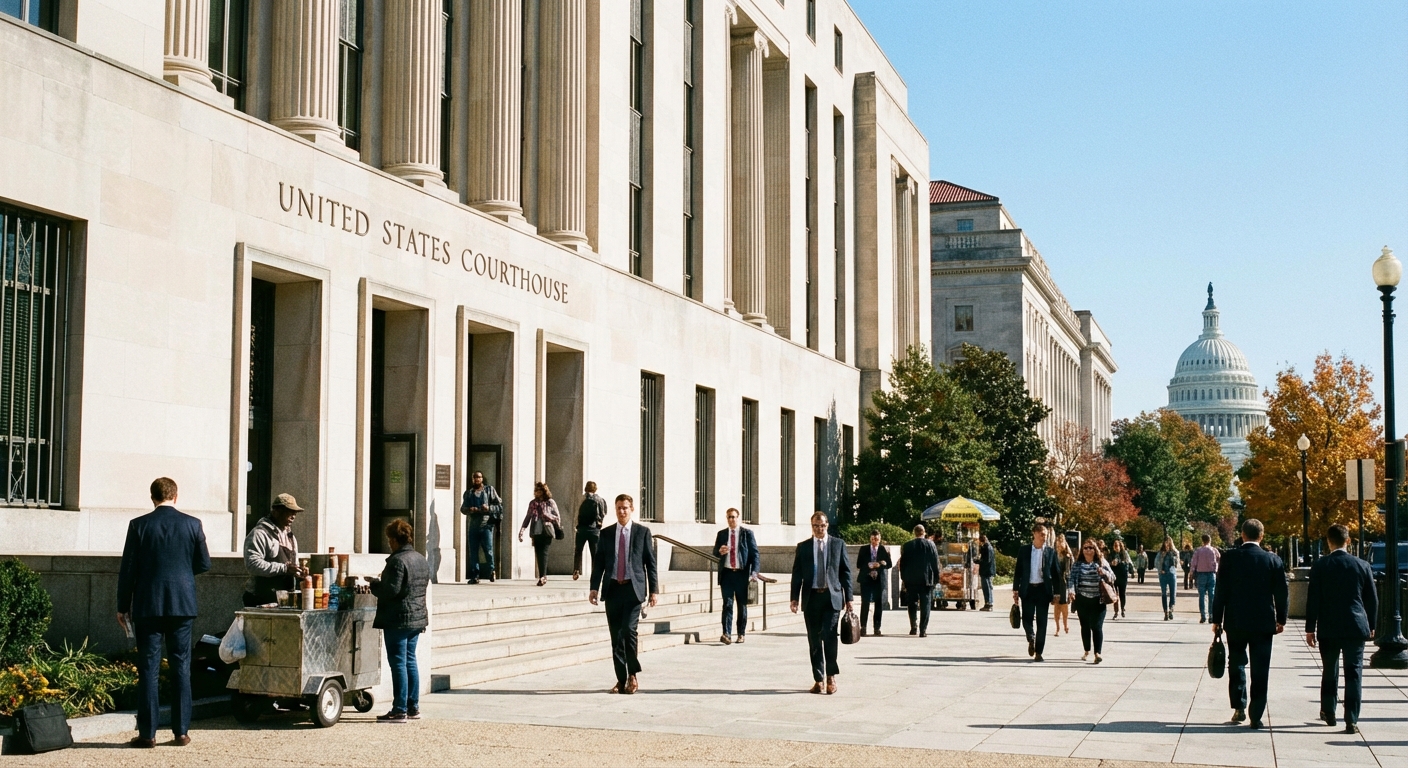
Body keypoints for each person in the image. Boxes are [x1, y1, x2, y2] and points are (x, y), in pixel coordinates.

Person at [116, 478, 211, 748]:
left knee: (148, 668)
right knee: (181, 667)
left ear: (152, 497)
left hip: (148, 604)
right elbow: (204, 563)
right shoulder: (193, 524)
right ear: (176, 496)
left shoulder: (139, 525)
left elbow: (128, 570)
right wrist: (180, 574)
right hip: (182, 604)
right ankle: (181, 732)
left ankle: (148, 734)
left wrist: (122, 606)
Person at [1211, 518, 1288, 729]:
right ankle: (1257, 713)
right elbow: (1281, 593)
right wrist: (1281, 618)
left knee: (1236, 662)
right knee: (1261, 668)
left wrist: (1216, 619)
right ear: (1261, 536)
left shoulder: (1230, 558)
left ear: (1242, 534)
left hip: (1235, 620)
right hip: (1263, 621)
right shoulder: (1273, 560)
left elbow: (1221, 592)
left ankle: (1239, 706)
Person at [1306, 524, 1377, 734]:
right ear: (1348, 541)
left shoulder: (1320, 566)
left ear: (1329, 541)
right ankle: (1352, 719)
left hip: (1328, 625)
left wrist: (1310, 628)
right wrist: (1371, 624)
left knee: (1330, 669)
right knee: (1354, 672)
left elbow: (1313, 600)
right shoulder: (1362, 565)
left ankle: (1329, 711)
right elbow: (1371, 599)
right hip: (1355, 625)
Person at [590, 494, 660, 694]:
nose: (622, 511)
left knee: (629, 632)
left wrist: (654, 590)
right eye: (619, 507)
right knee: (616, 636)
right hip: (613, 589)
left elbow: (650, 564)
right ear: (615, 509)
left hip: (633, 590)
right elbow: (599, 564)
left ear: (632, 509)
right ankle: (621, 679)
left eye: (626, 508)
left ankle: (633, 675)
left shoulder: (642, 532)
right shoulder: (606, 534)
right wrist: (594, 587)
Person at [368, 518, 430, 722]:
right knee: (410, 661)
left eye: (389, 539)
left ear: (395, 540)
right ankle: (413, 707)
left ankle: (399, 709)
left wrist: (374, 584)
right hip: (417, 616)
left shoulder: (397, 561)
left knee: (398, 663)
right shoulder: (420, 558)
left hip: (398, 618)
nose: (388, 543)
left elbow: (390, 590)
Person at [790, 511, 853, 694]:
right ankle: (818, 679)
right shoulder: (803, 547)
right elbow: (797, 574)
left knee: (830, 636)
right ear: (812, 527)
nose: (819, 529)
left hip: (831, 598)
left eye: (823, 525)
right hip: (811, 598)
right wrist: (794, 598)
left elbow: (845, 573)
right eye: (816, 526)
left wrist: (849, 599)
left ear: (827, 525)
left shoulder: (838, 545)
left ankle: (831, 676)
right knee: (814, 640)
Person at [241, 493, 307, 607]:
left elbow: (293, 565)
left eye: (295, 512)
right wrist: (283, 568)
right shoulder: (259, 533)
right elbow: (252, 564)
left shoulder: (290, 536)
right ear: (276, 512)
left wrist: (299, 573)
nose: (294, 515)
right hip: (261, 599)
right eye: (290, 511)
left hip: (284, 600)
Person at [1013, 522, 1058, 662]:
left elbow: (1056, 573)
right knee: (1026, 618)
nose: (1044, 537)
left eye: (1046, 534)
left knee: (1042, 622)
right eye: (1042, 534)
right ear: (1034, 534)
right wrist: (1015, 589)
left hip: (1043, 590)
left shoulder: (1050, 552)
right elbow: (1018, 571)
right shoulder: (1024, 550)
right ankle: (1031, 637)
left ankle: (1039, 652)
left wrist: (1057, 593)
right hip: (1028, 589)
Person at [714, 507, 759, 644]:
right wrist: (719, 551)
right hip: (727, 573)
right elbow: (715, 551)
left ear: (739, 518)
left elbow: (755, 554)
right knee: (727, 604)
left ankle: (741, 633)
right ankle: (726, 634)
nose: (731, 520)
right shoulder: (722, 534)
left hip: (741, 574)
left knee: (742, 605)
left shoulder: (747, 534)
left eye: (734, 517)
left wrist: (754, 572)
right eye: (729, 517)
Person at [1069, 540, 1116, 663]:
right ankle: (1087, 650)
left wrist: (1104, 572)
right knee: (1085, 626)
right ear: (1082, 550)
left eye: (1091, 548)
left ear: (1095, 550)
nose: (1088, 550)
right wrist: (1071, 591)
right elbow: (1071, 579)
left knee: (1097, 626)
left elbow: (1113, 577)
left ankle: (1097, 653)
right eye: (1085, 548)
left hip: (1098, 600)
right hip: (1082, 600)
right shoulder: (1077, 564)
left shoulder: (1101, 562)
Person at [460, 471, 503, 583]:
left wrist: (488, 508)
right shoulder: (469, 493)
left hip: (487, 524)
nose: (476, 479)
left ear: (482, 478)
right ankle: (475, 575)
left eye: (479, 477)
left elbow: (499, 506)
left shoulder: (489, 490)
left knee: (488, 550)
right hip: (473, 525)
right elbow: (463, 509)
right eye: (474, 477)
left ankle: (491, 570)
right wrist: (470, 509)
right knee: (473, 551)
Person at [897, 524, 940, 637]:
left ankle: (913, 627)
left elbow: (903, 564)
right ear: (924, 532)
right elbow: (935, 562)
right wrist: (936, 578)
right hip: (926, 580)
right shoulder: (931, 545)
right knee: (926, 604)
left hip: (911, 579)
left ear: (914, 533)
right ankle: (923, 630)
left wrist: (904, 578)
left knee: (912, 603)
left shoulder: (907, 546)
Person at [518, 482, 561, 586]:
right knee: (538, 553)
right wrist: (522, 530)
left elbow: (557, 517)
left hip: (547, 531)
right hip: (536, 531)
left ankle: (543, 576)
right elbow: (528, 517)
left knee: (544, 553)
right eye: (536, 491)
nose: (537, 493)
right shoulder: (533, 503)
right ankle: (542, 575)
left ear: (544, 491)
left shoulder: (550, 502)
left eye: (539, 491)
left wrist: (547, 515)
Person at [855, 529, 892, 636]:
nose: (874, 541)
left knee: (879, 603)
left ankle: (877, 627)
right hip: (866, 579)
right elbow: (858, 564)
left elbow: (889, 564)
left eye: (876, 539)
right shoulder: (864, 549)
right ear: (870, 539)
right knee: (865, 602)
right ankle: (863, 627)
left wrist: (880, 564)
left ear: (880, 539)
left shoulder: (882, 549)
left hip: (878, 579)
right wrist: (868, 565)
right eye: (872, 539)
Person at [573, 481, 607, 580]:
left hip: (582, 528)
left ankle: (576, 570)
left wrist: (576, 525)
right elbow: (603, 513)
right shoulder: (600, 499)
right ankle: (594, 572)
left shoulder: (581, 498)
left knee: (578, 551)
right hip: (594, 529)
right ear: (595, 489)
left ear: (585, 488)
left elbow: (576, 511)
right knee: (595, 553)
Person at [1191, 533, 1221, 623]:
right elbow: (1219, 558)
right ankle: (1211, 615)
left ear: (1202, 540)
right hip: (1211, 574)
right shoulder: (1214, 550)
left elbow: (1194, 562)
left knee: (1202, 595)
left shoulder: (1198, 551)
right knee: (1211, 595)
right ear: (1210, 540)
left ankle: (1203, 615)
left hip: (1201, 574)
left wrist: (1191, 572)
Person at [1051, 537, 1074, 636]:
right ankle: (1057, 628)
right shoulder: (1053, 555)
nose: (1059, 545)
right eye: (1058, 543)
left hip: (1065, 583)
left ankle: (1065, 624)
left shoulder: (1068, 556)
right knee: (1057, 606)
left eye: (1061, 543)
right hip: (1055, 582)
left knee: (1064, 606)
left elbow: (1071, 571)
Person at [1155, 537, 1181, 620]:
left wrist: (1175, 558)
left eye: (1168, 542)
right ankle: (1165, 611)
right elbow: (1156, 562)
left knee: (1173, 592)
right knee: (1164, 593)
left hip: (1172, 573)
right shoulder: (1160, 553)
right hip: (1163, 575)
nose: (1166, 544)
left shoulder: (1174, 552)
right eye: (1165, 542)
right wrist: (1160, 569)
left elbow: (1177, 563)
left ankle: (1171, 609)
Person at [1108, 539, 1131, 619]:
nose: (1116, 547)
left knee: (1122, 593)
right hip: (1114, 576)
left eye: (1117, 545)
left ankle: (1123, 608)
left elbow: (1128, 562)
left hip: (1122, 575)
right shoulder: (1111, 554)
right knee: (1115, 594)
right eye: (1114, 546)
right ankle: (1116, 611)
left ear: (1120, 546)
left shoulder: (1124, 553)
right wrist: (1112, 563)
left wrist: (1120, 562)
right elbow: (1108, 564)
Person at [976, 534, 997, 611]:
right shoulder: (988, 547)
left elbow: (986, 560)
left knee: (987, 587)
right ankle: (988, 603)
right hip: (987, 570)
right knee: (987, 587)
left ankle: (989, 603)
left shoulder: (987, 548)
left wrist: (978, 561)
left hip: (987, 571)